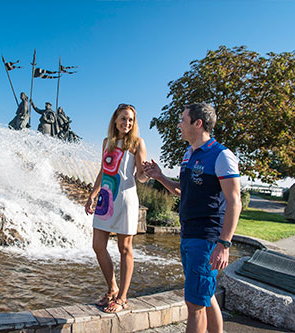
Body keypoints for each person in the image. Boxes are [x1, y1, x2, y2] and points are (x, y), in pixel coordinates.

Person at [143, 103, 241, 333]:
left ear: (198, 124)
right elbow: (182, 190)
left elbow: (234, 201)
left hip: (206, 237)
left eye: (182, 120)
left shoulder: (222, 156)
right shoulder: (188, 155)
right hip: (188, 234)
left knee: (195, 304)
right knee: (205, 297)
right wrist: (160, 177)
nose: (179, 124)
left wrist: (224, 244)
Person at [85, 103, 148, 313]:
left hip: (126, 199)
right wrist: (92, 195)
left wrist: (146, 174)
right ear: (115, 120)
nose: (127, 123)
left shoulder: (137, 143)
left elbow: (139, 175)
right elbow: (104, 171)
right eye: (123, 118)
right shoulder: (107, 142)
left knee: (124, 249)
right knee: (98, 245)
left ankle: (122, 297)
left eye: (130, 120)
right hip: (106, 198)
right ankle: (112, 288)